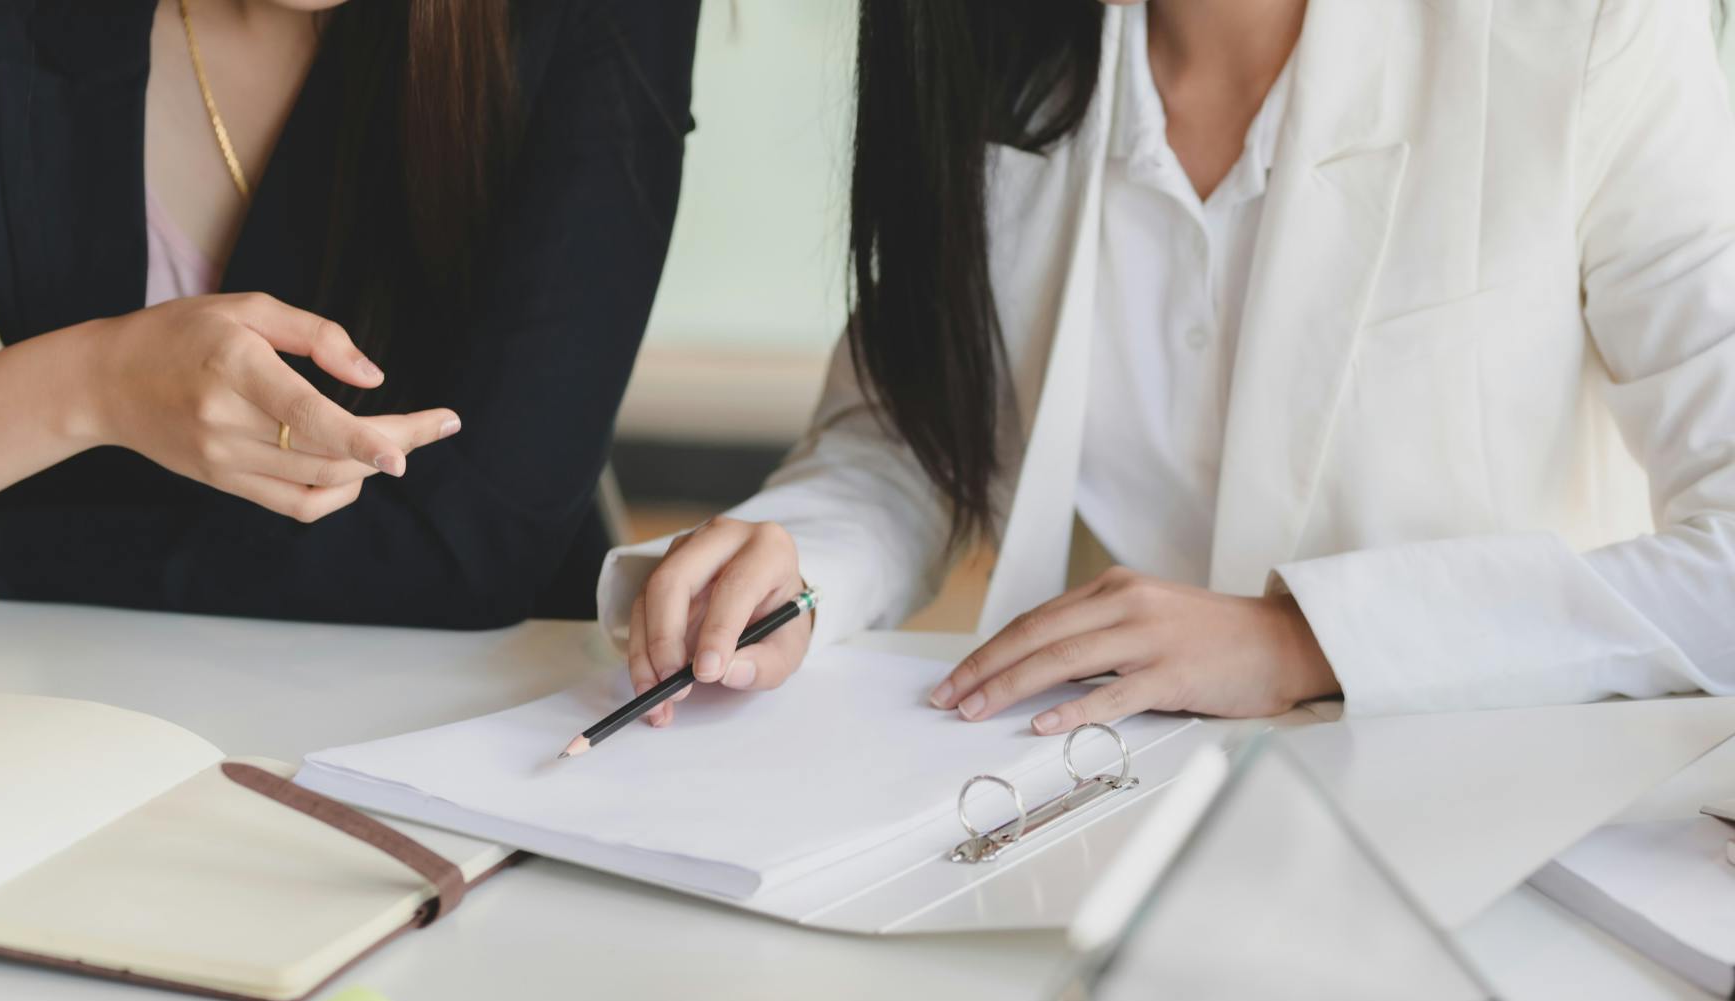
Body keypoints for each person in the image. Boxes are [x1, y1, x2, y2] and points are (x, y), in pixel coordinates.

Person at [607, 0, 1735, 731]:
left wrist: (1308, 639)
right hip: (1087, 818)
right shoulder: (986, 45)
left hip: (1478, 828)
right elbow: (911, 438)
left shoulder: (1594, 29)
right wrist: (798, 572)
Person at [0, 0, 698, 627]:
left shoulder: (596, 17)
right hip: (62, 712)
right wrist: (89, 383)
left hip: (466, 725)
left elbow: (474, 549)